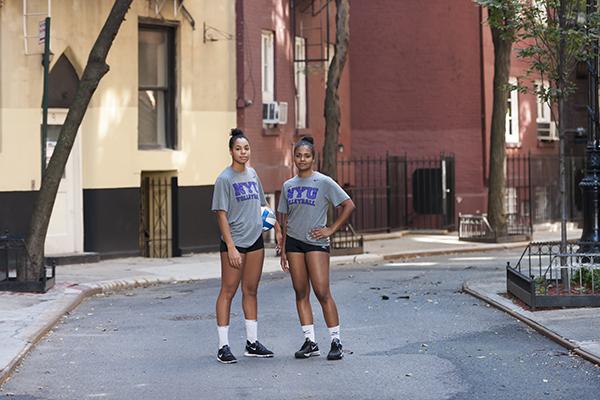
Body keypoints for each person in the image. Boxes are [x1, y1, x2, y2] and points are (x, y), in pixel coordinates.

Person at [277, 136, 355, 361]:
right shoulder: (288, 185)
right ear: (294, 158)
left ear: (313, 158)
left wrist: (331, 229)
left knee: (322, 291)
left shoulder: (323, 182)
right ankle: (310, 342)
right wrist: (283, 250)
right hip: (293, 243)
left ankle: (336, 341)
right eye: (299, 155)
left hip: (316, 243)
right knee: (301, 292)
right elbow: (287, 219)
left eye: (307, 155)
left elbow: (348, 205)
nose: (302, 159)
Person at [211, 128, 280, 364]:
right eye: (238, 148)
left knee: (251, 290)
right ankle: (223, 347)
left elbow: (263, 206)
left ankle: (252, 343)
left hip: (255, 241)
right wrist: (230, 246)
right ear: (231, 151)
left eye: (246, 148)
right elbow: (221, 215)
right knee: (228, 291)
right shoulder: (224, 179)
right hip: (235, 243)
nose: (243, 152)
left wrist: (277, 227)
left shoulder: (252, 174)